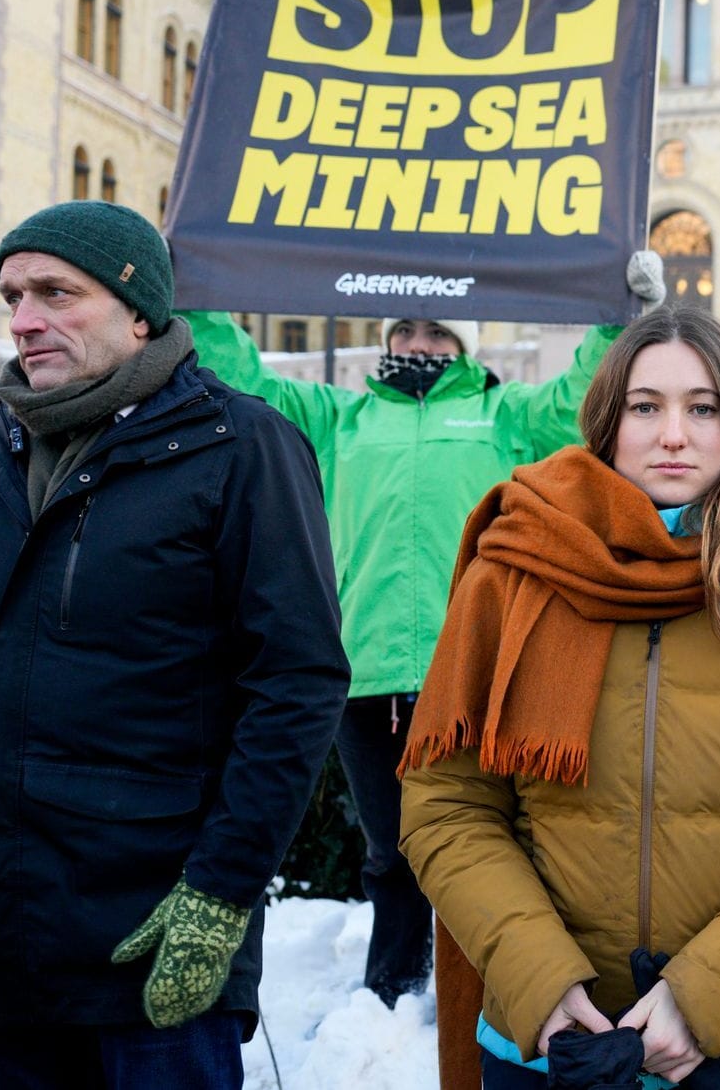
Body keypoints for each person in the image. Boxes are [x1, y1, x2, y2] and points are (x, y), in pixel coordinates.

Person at [398, 306, 720, 1090]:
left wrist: (706, 995)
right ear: (607, 424)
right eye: (646, 407)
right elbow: (447, 806)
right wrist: (544, 984)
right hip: (552, 1047)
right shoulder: (513, 575)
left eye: (702, 408)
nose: (674, 435)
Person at [0, 200, 350, 1088]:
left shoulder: (242, 448)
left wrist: (220, 894)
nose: (26, 319)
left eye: (55, 293)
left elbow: (297, 686)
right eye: (13, 297)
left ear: (138, 308)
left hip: (150, 944)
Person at [181, 252, 663, 1006]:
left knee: (487, 843)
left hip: (474, 668)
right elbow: (248, 383)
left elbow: (583, 398)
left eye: (437, 333)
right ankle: (396, 992)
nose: (418, 344)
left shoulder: (504, 417)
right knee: (391, 847)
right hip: (365, 671)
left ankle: (489, 989)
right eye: (405, 330)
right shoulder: (340, 419)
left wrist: (616, 314)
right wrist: (199, 298)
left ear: (463, 347)